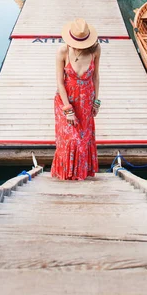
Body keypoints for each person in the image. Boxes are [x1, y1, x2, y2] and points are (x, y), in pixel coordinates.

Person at [51, 18, 101, 180]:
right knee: (71, 139)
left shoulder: (95, 49)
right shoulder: (63, 51)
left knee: (83, 139)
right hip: (66, 100)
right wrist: (68, 109)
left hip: (86, 101)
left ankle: (81, 173)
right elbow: (59, 82)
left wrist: (96, 101)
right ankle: (67, 173)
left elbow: (96, 77)